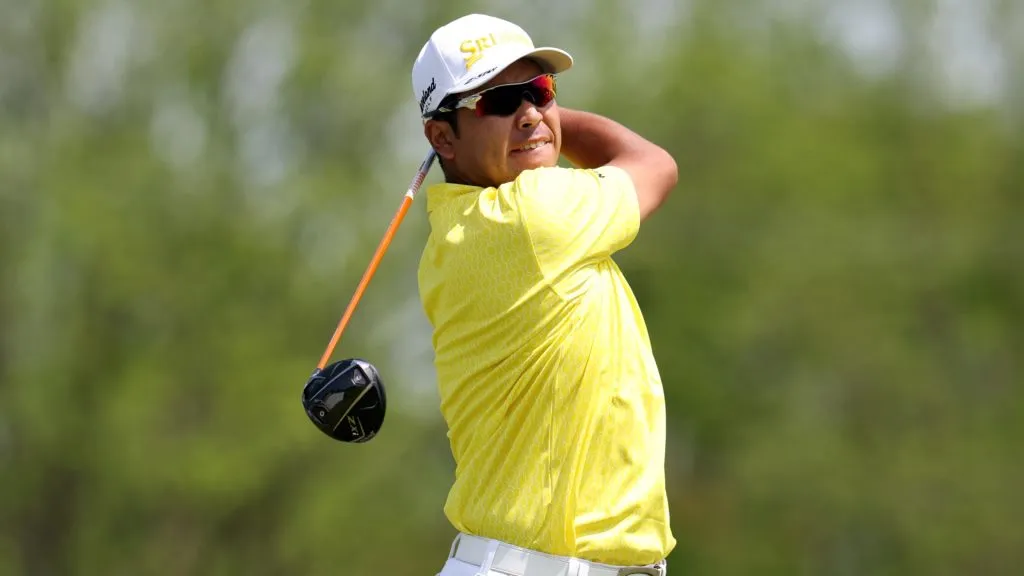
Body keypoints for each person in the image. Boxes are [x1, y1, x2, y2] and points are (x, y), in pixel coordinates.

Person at [412, 13, 678, 576]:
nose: (530, 112)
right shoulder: (532, 216)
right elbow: (656, 164)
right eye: (498, 101)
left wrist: (523, 119)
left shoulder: (455, 233)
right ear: (441, 137)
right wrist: (551, 125)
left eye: (541, 91)